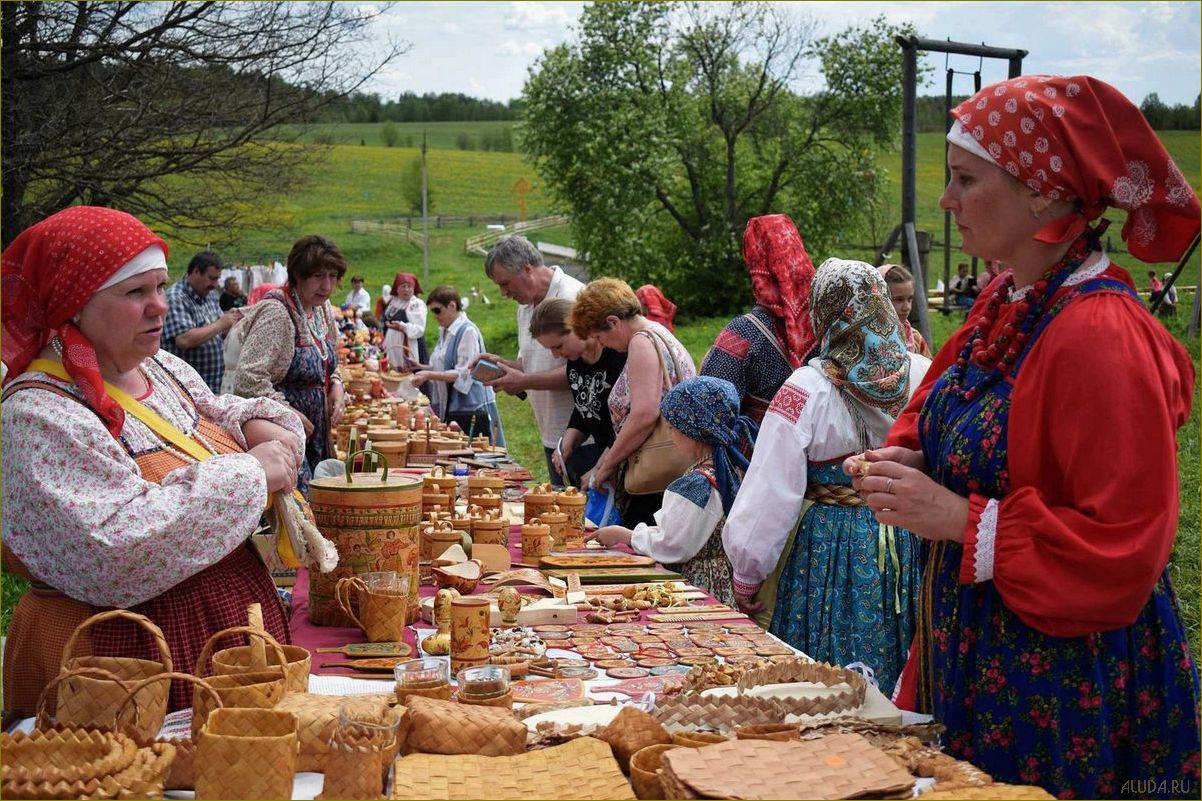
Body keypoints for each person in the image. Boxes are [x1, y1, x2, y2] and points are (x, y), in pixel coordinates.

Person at [849, 75, 1200, 798]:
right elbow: (941, 403)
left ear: (1041, 191)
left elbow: (1126, 543)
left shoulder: (1098, 335)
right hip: (979, 646)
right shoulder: (1003, 302)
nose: (945, 200)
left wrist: (955, 516)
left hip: (1061, 675)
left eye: (965, 178)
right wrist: (909, 453)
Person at [0, 206, 304, 717]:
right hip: (121, 667)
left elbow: (217, 409)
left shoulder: (157, 366)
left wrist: (261, 421)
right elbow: (116, 549)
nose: (159, 307)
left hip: (211, 640)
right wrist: (252, 472)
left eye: (161, 287)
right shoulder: (37, 415)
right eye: (135, 292)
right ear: (73, 304)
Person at [722, 258, 930, 693]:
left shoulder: (807, 387)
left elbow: (772, 487)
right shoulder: (922, 373)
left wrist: (747, 571)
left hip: (831, 548)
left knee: (823, 675)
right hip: (910, 535)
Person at [591, 377, 756, 607]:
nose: (669, 435)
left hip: (696, 588)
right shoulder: (730, 469)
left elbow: (673, 545)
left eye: (671, 428)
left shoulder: (697, 484)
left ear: (691, 431)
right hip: (722, 580)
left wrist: (626, 536)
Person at [569, 278, 697, 527]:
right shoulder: (659, 333)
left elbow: (644, 415)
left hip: (656, 473)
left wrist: (607, 464)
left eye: (599, 337)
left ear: (613, 322)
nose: (602, 345)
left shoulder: (641, 342)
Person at [232, 234, 348, 494]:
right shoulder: (277, 313)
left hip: (316, 433)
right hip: (283, 438)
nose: (327, 285)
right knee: (298, 507)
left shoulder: (321, 310)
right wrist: (289, 414)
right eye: (318, 276)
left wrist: (337, 387)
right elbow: (248, 378)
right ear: (298, 274)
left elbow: (330, 363)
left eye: (332, 276)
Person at [478, 235, 583, 484]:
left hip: (583, 437)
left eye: (505, 283)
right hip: (550, 433)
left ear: (527, 268)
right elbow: (531, 364)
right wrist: (503, 367)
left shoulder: (571, 297)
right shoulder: (525, 307)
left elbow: (581, 371)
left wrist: (525, 380)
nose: (504, 293)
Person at [700, 214, 817, 424]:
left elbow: (708, 409)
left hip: (759, 451)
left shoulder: (744, 333)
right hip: (823, 451)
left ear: (755, 263)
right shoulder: (828, 325)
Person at [529, 298, 627, 487]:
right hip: (607, 456)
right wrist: (567, 443)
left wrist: (600, 467)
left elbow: (626, 423)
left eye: (558, 346)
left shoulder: (617, 355)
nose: (556, 355)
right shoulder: (576, 362)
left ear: (576, 328)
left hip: (629, 461)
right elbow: (585, 408)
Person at [410, 286, 504, 443]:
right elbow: (442, 365)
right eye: (432, 311)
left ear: (452, 306)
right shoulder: (446, 330)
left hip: (472, 406)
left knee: (479, 449)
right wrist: (420, 367)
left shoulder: (467, 331)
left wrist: (428, 375)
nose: (435, 316)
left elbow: (463, 372)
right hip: (455, 404)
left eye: (437, 311)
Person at [161, 250, 242, 393]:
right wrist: (220, 324)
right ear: (196, 272)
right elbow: (184, 339)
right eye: (211, 278)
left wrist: (232, 324)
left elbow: (216, 332)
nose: (215, 284)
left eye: (217, 279)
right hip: (184, 388)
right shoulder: (176, 297)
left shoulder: (210, 295)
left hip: (210, 384)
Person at [879, 264, 933, 357]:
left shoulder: (915, 338)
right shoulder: (864, 339)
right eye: (899, 300)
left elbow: (929, 369)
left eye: (910, 299)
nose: (907, 307)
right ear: (880, 299)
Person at [381, 272, 428, 372]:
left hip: (408, 346)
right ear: (397, 289)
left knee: (408, 377)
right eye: (403, 286)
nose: (406, 289)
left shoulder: (416, 304)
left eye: (409, 286)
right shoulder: (393, 301)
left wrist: (402, 327)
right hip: (392, 347)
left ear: (414, 288)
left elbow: (419, 329)